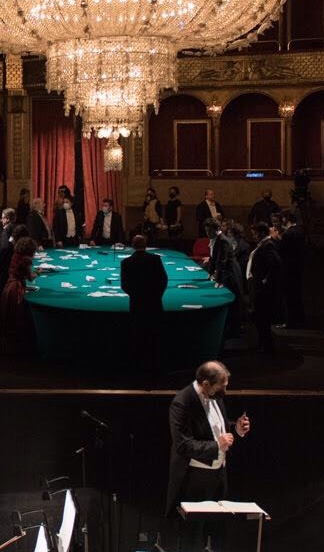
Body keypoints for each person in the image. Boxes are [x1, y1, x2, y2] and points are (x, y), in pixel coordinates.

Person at [165, 361, 251, 517]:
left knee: (217, 528)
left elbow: (213, 426)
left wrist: (236, 428)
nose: (225, 391)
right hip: (195, 478)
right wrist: (218, 445)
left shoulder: (214, 393)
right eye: (222, 387)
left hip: (219, 474)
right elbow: (183, 445)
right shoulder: (182, 402)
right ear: (205, 384)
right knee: (193, 531)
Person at [120, 235, 168, 374]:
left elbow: (125, 285)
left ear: (132, 246)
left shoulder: (126, 262)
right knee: (154, 332)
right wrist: (156, 295)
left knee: (137, 331)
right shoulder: (155, 259)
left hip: (136, 303)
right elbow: (163, 280)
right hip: (154, 302)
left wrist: (135, 295)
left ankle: (138, 361)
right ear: (146, 245)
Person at [247, 220, 284, 354]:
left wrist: (265, 280)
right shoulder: (264, 244)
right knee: (260, 318)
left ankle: (267, 347)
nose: (253, 236)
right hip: (259, 286)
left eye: (255, 234)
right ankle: (263, 344)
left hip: (263, 290)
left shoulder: (267, 245)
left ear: (262, 233)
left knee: (262, 318)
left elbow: (276, 264)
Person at [278, 210, 307, 328]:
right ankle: (300, 319)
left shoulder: (288, 234)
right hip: (297, 267)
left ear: (286, 219)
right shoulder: (300, 231)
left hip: (287, 268)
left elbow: (282, 250)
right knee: (296, 295)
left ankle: (289, 321)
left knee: (288, 296)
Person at [0, 236, 38, 322]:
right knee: (19, 313)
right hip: (16, 288)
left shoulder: (15, 255)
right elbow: (31, 278)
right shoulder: (26, 260)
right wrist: (38, 272)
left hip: (9, 285)